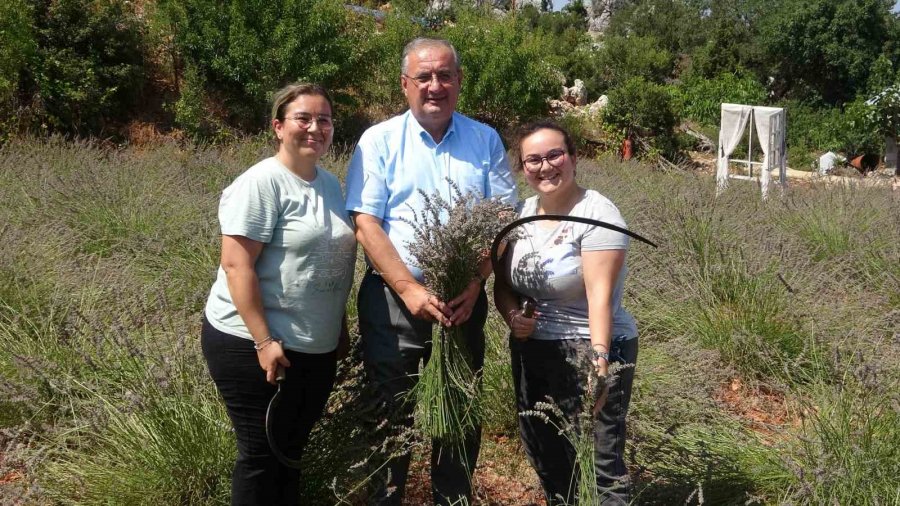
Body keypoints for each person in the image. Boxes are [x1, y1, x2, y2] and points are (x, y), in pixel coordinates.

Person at [344, 37, 517, 505]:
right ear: (405, 84)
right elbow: (366, 223)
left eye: (445, 75)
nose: (435, 86)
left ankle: (452, 499)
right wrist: (408, 289)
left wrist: (475, 279)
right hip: (393, 302)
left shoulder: (485, 139)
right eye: (424, 77)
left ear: (459, 81)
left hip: (463, 300)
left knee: (457, 408)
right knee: (387, 414)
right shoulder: (378, 140)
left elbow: (504, 219)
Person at [201, 83, 356, 505]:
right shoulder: (261, 183)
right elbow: (237, 266)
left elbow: (327, 262)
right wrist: (264, 341)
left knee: (290, 453)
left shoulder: (330, 185)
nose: (315, 128)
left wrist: (338, 328)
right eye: (303, 118)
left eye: (324, 120)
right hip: (253, 344)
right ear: (278, 127)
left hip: (315, 345)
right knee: (261, 456)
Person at [494, 120, 639, 505]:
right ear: (522, 167)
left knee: (600, 462)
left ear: (573, 157)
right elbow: (503, 286)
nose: (545, 166)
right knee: (545, 452)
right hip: (534, 349)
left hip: (590, 345)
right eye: (533, 159)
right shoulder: (519, 214)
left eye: (555, 155)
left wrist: (600, 364)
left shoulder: (598, 214)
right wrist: (514, 318)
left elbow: (599, 298)